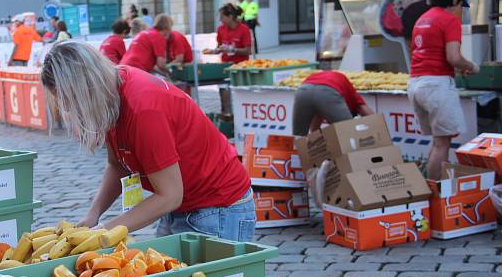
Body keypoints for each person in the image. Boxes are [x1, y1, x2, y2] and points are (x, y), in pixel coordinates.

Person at [41, 42, 256, 240]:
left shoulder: (144, 109)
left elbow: (169, 196)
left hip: (217, 207)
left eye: (67, 99)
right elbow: (117, 165)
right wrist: (93, 215)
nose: (66, 108)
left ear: (85, 88)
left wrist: (104, 233)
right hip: (182, 207)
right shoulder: (110, 93)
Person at [408, 0, 479, 179]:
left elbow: (425, 53)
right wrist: (471, 66)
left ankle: (430, 190)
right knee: (442, 145)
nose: (461, 11)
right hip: (436, 86)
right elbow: (454, 57)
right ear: (455, 0)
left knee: (438, 142)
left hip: (416, 83)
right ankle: (437, 195)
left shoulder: (423, 18)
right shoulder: (449, 20)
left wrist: (455, 69)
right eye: (461, 6)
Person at [292, 71, 375, 136]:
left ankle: (296, 156)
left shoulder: (336, 80)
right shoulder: (351, 94)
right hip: (328, 90)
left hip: (303, 90)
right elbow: (365, 111)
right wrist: (379, 129)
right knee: (349, 133)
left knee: (299, 137)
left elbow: (314, 131)